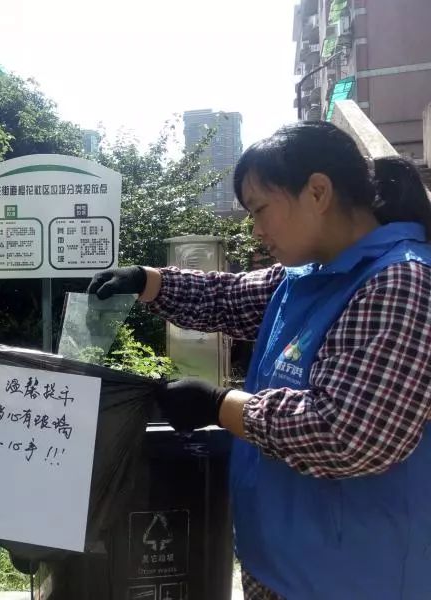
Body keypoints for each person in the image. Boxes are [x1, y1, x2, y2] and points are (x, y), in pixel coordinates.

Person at [89, 120, 431, 600]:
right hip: (280, 564)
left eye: (260, 209)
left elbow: (348, 434)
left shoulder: (400, 283)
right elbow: (226, 298)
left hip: (357, 576)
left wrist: (220, 406)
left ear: (317, 191)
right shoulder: (306, 276)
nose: (255, 229)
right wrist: (147, 281)